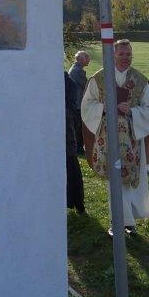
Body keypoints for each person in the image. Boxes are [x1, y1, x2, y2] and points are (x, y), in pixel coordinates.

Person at [81, 39, 149, 236]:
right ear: (113, 55)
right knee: (113, 179)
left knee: (128, 179)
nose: (125, 58)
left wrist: (132, 111)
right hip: (107, 139)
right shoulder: (100, 78)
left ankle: (127, 222)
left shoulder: (140, 80)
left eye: (129, 54)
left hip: (132, 140)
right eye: (121, 54)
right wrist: (104, 108)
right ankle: (119, 222)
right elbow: (87, 105)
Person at [64, 71, 85, 214]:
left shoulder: (67, 81)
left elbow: (71, 108)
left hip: (66, 133)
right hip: (58, 133)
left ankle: (78, 204)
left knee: (71, 168)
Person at [69, 51, 90, 153]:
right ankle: (79, 148)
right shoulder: (78, 71)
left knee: (78, 125)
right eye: (87, 58)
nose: (89, 60)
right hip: (78, 104)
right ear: (82, 60)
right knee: (79, 126)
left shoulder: (75, 69)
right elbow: (87, 86)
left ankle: (79, 147)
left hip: (76, 103)